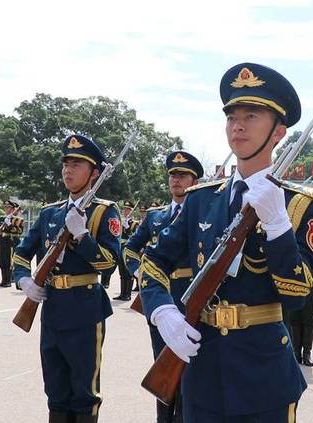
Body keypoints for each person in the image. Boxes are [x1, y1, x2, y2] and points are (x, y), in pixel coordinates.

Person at [139, 62, 313, 422]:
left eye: (252, 115)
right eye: (232, 116)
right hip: (202, 366)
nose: (238, 125)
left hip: (263, 372)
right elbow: (153, 261)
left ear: (279, 132)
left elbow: (298, 293)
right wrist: (163, 311)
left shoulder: (300, 204)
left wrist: (277, 225)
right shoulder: (200, 199)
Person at [12, 134, 121, 423]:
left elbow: (110, 264)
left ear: (94, 173)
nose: (68, 170)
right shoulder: (50, 213)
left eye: (77, 164)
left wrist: (83, 235)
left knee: (84, 392)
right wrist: (25, 280)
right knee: (56, 390)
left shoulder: (103, 212)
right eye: (66, 164)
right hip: (53, 311)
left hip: (85, 312)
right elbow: (21, 253)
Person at [123, 150, 203, 423]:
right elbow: (131, 250)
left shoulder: (205, 212)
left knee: (192, 374)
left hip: (193, 298)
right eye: (172, 176)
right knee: (163, 368)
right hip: (161, 300)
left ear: (195, 180)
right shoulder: (155, 216)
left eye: (182, 176)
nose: (176, 180)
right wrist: (141, 275)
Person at [112, 201, 140, 301]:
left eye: (128, 209)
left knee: (128, 272)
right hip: (121, 248)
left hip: (129, 250)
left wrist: (128, 228)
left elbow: (136, 236)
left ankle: (127, 295)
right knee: (122, 272)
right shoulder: (120, 221)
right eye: (124, 209)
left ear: (132, 211)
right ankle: (122, 293)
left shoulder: (134, 223)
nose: (125, 211)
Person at [0, 200, 21, 287]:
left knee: (8, 262)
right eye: (5, 207)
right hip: (2, 241)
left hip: (10, 241)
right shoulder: (2, 218)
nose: (6, 209)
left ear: (13, 209)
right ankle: (3, 280)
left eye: (8, 207)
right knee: (1, 261)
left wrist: (9, 224)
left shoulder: (17, 219)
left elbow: (18, 231)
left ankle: (8, 281)